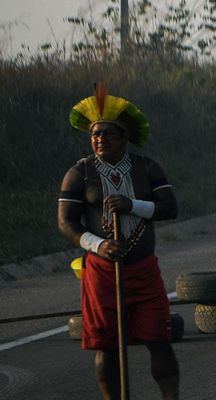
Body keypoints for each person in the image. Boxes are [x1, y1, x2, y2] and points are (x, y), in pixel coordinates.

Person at [58, 88, 180, 400]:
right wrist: (98, 245)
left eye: (108, 134)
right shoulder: (79, 173)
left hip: (143, 269)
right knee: (106, 346)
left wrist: (133, 205)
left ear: (124, 137)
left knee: (159, 339)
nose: (100, 140)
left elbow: (169, 208)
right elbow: (66, 223)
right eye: (95, 135)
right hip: (102, 272)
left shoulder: (146, 167)